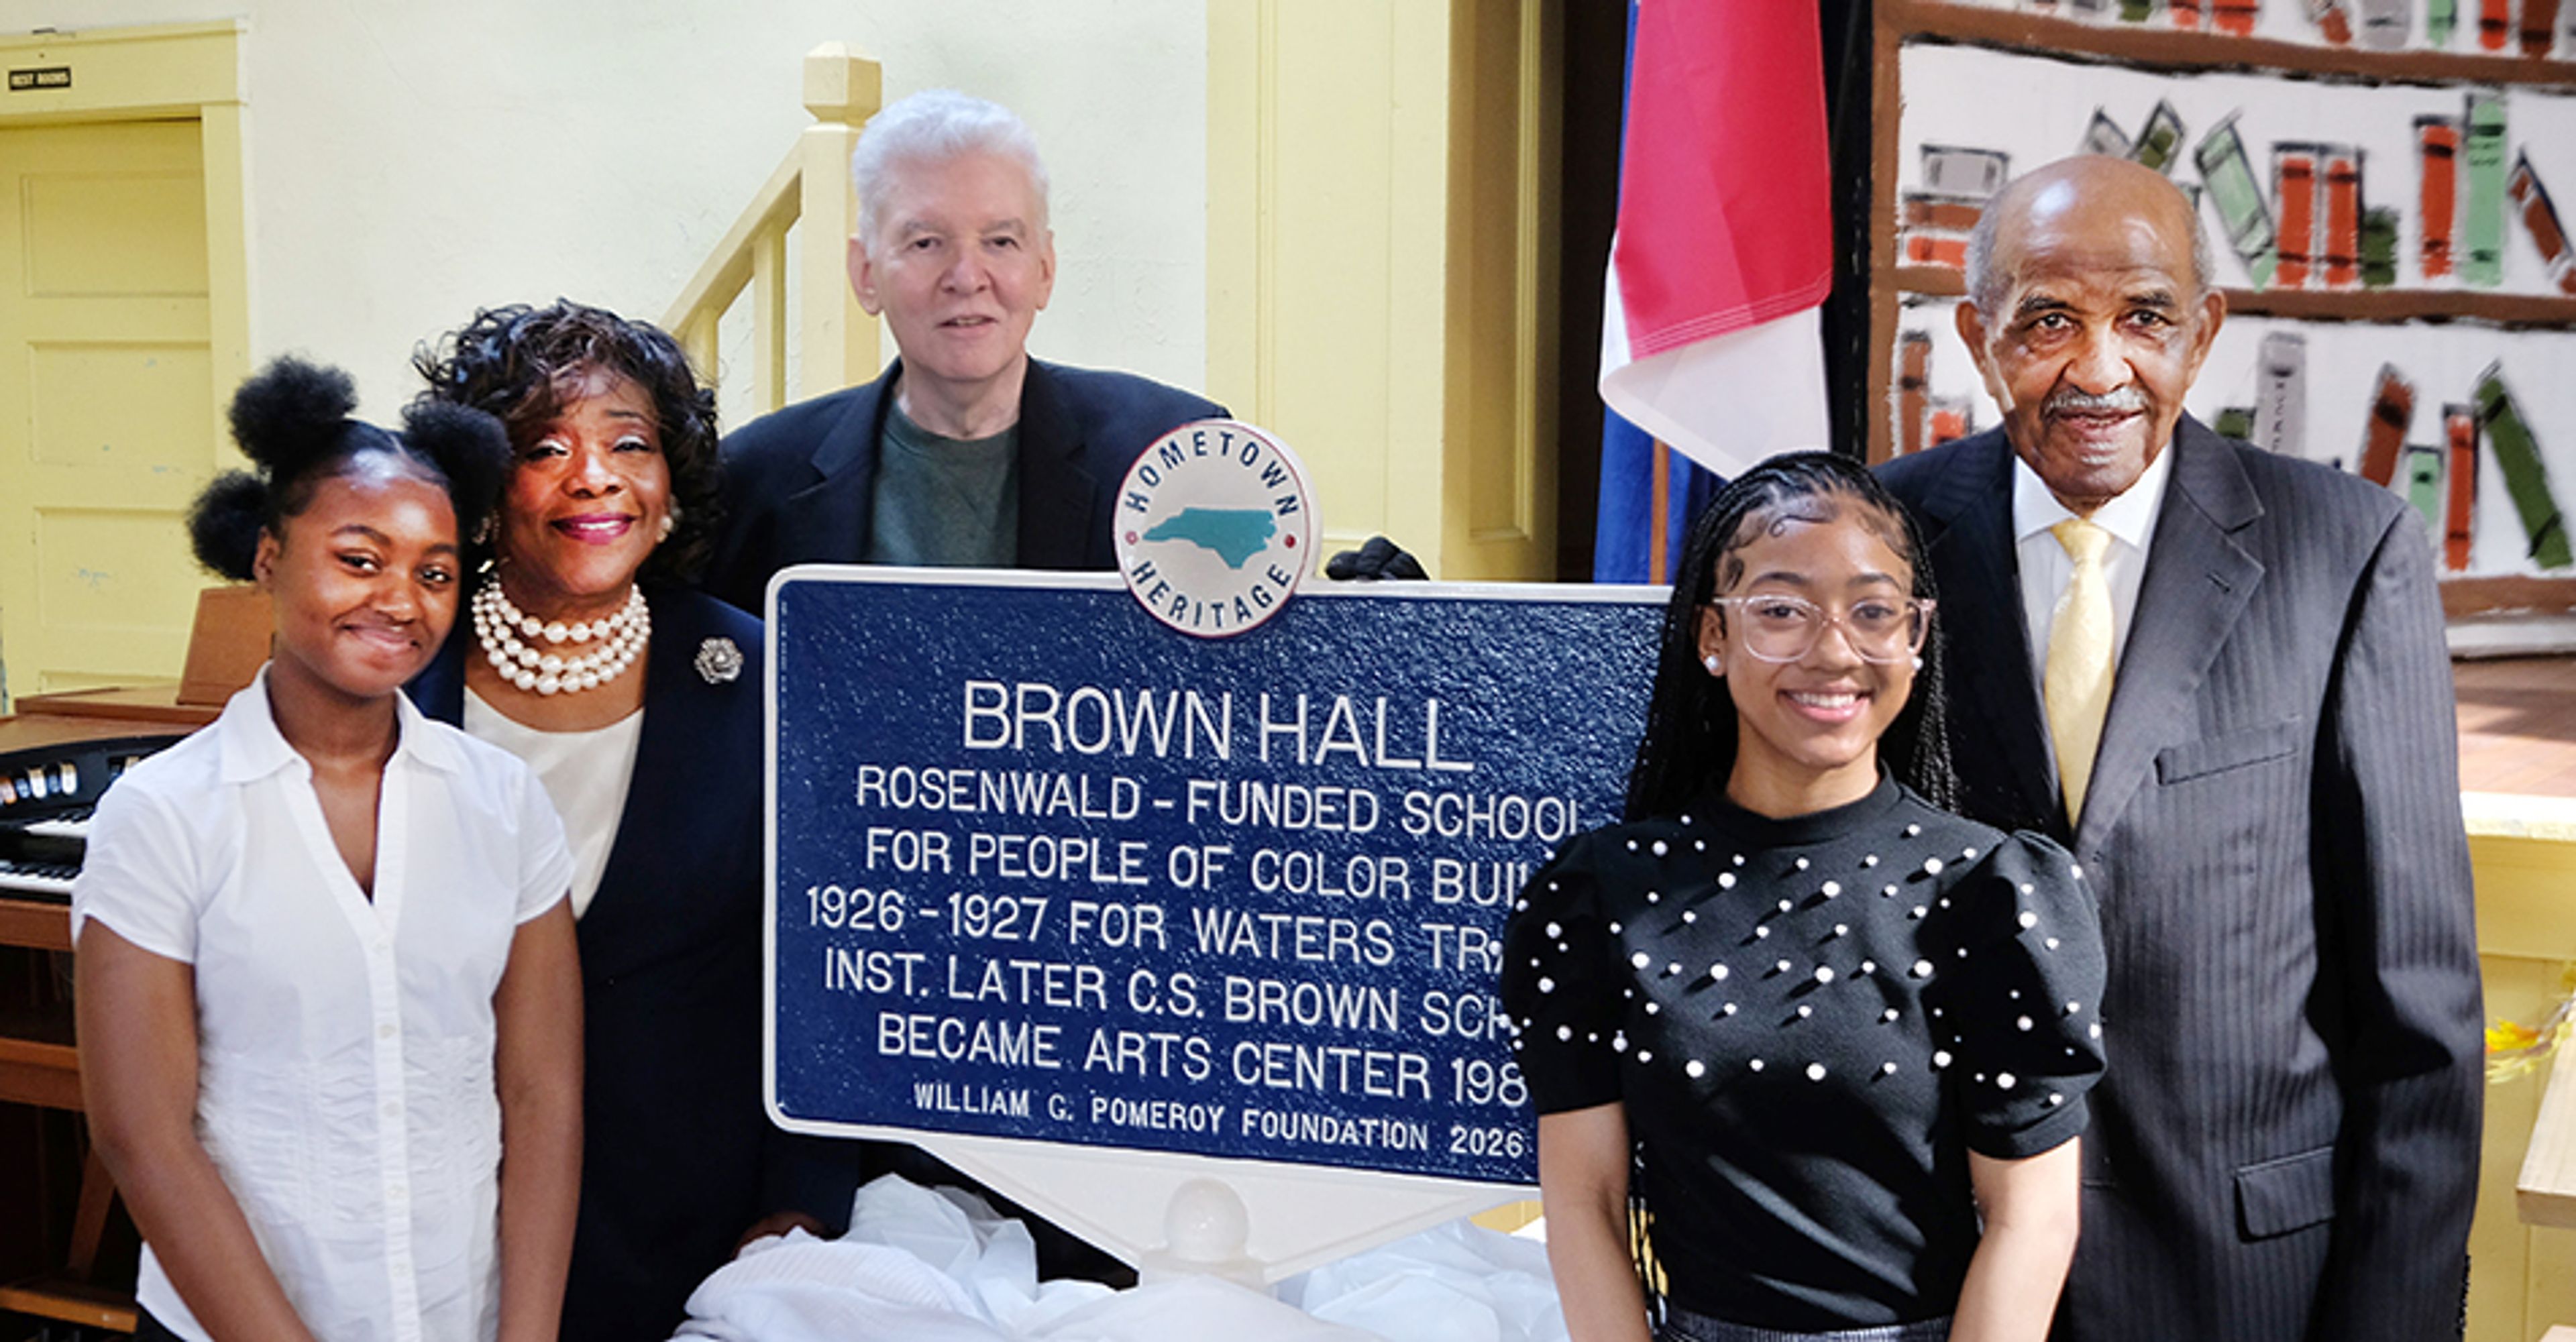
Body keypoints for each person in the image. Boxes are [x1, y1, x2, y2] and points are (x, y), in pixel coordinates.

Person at [1878, 154, 2483, 1341]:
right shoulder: (1883, 541)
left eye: (2144, 317)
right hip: (1932, 1270)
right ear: (1976, 334)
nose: (2100, 369)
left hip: (2246, 1280)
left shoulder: (2349, 551)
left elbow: (2419, 1024)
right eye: (2048, 319)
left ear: (2203, 333)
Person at [1505, 453, 2106, 1342]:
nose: (1833, 650)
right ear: (1712, 633)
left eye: (1873, 611)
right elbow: (1585, 1200)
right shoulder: (1602, 895)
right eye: (1782, 610)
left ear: (1918, 634)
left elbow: (2032, 1218)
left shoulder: (1989, 892)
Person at [74, 357, 580, 1342]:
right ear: (266, 556)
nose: (401, 598)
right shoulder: (166, 814)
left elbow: (542, 1093)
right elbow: (145, 1141)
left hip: (457, 1316)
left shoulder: (504, 804)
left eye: (435, 570)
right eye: (360, 557)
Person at [407, 302, 829, 1341]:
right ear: (477, 486)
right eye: (543, 447)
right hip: (428, 1206)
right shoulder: (399, 671)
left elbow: (818, 957)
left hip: (692, 1217)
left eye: (629, 444)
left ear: (671, 479)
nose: (594, 477)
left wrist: (804, 1199)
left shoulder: (765, 674)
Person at [702, 87, 1224, 610]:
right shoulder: (753, 482)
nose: (967, 277)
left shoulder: (1177, 458)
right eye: (926, 243)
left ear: (1045, 269)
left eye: (1001, 242)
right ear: (865, 275)